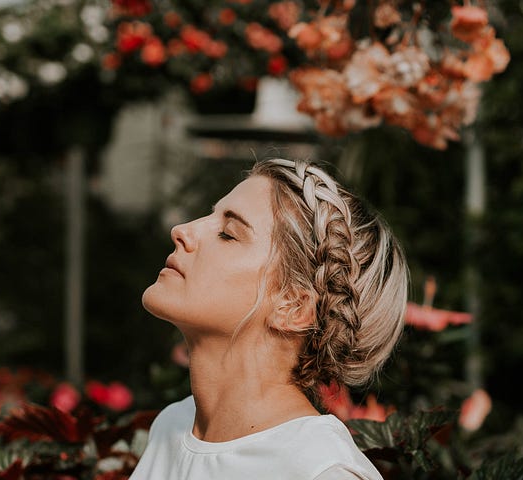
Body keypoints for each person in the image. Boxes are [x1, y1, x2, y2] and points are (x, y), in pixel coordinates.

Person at [128, 158, 409, 480]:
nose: (182, 230)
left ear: (292, 306)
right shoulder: (172, 425)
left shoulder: (321, 472)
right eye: (211, 215)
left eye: (227, 234)